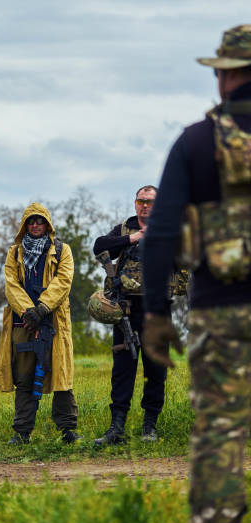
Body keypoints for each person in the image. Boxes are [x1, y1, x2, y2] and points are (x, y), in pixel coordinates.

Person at [142, 25, 251, 523]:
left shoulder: (195, 140)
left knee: (221, 436)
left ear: (225, 73)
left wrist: (157, 314)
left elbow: (160, 235)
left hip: (222, 311)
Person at [0, 202, 81, 444]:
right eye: (31, 221)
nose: (35, 225)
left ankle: (68, 431)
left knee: (61, 376)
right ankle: (22, 432)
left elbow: (63, 282)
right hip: (24, 323)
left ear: (47, 224)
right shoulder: (14, 252)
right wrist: (28, 311)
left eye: (39, 220)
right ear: (24, 225)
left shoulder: (62, 250)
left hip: (54, 321)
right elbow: (11, 285)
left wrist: (42, 308)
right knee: (24, 377)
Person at [93, 186, 169, 446]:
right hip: (127, 310)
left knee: (155, 368)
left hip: (158, 310)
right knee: (123, 369)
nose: (145, 206)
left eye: (150, 202)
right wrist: (133, 238)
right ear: (135, 204)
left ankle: (150, 426)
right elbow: (99, 246)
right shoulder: (124, 230)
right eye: (141, 201)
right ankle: (117, 428)